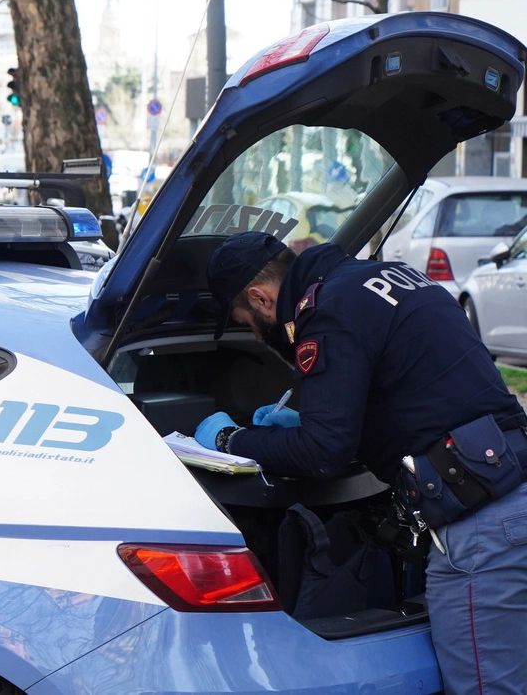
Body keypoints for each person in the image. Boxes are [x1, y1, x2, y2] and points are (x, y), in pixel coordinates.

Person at [194, 231, 527, 695]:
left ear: (259, 298)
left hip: (480, 529)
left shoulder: (326, 311)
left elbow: (323, 451)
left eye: (246, 321)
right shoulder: (389, 277)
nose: (254, 334)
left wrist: (234, 439)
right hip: (510, 494)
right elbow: (415, 393)